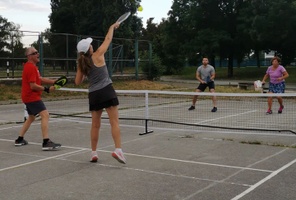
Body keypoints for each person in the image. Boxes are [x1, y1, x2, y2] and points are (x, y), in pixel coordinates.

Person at [75, 22, 126, 164]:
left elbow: (77, 82)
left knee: (95, 125)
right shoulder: (98, 55)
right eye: (90, 45)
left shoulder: (82, 64)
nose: (92, 45)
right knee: (114, 122)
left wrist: (84, 71)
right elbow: (108, 40)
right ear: (89, 49)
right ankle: (118, 150)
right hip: (106, 91)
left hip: (94, 95)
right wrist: (111, 27)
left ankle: (93, 153)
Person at [15, 47, 61, 150]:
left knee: (31, 117)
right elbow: (33, 85)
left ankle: (19, 139)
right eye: (35, 53)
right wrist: (47, 89)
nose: (38, 54)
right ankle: (46, 142)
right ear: (29, 56)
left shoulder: (33, 67)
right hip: (31, 96)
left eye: (37, 52)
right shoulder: (30, 67)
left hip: (27, 97)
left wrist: (53, 81)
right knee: (45, 115)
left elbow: (39, 79)